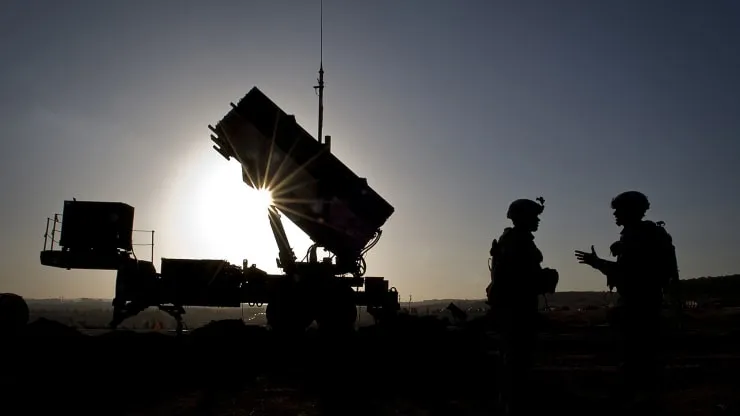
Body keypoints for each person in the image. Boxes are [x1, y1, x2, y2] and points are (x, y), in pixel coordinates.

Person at [574, 191, 679, 409]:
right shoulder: (646, 235)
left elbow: (628, 274)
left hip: (638, 303)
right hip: (646, 301)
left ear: (630, 211)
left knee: (635, 355)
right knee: (641, 355)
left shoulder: (637, 238)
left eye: (618, 211)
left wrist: (597, 263)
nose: (615, 215)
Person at [488, 197, 558, 415]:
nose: (537, 220)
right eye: (534, 216)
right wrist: (547, 278)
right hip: (517, 310)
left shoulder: (513, 240)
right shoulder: (517, 242)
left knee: (514, 360)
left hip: (514, 309)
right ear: (522, 217)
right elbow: (519, 279)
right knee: (517, 362)